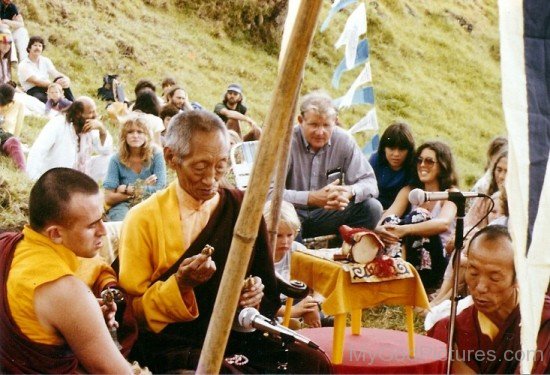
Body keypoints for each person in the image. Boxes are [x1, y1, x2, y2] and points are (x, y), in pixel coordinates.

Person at [118, 110, 331, 373]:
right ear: (171, 157)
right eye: (200, 167)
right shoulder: (143, 219)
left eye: (220, 166)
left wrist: (254, 294)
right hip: (174, 342)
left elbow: (264, 285)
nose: (211, 180)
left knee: (313, 362)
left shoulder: (241, 207)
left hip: (236, 334)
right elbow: (131, 313)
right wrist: (180, 285)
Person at [0, 168, 133, 373]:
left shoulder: (8, 244)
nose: (103, 230)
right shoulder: (67, 291)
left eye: (102, 218)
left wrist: (84, 317)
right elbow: (113, 371)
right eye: (92, 225)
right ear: (55, 233)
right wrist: (80, 310)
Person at [428, 225, 550, 374]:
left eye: (494, 278)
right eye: (473, 273)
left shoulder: (543, 321)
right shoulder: (450, 329)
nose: (480, 287)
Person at [283, 91, 382, 240]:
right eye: (314, 125)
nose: (320, 132)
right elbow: (268, 194)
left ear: (335, 122)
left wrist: (349, 191)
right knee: (282, 218)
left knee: (371, 208)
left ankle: (342, 255)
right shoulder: (286, 141)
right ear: (300, 120)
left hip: (326, 214)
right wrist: (311, 198)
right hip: (291, 213)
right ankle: (296, 259)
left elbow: (370, 183)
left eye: (326, 125)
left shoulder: (344, 140)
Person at [375, 141, 458, 290]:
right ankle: (395, 274)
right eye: (419, 160)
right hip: (411, 257)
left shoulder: (451, 194)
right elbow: (386, 218)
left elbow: (443, 223)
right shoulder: (409, 191)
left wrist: (404, 230)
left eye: (429, 161)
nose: (422, 165)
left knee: (419, 215)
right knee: (391, 220)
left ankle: (399, 276)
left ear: (443, 165)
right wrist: (380, 229)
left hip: (436, 265)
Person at [263, 200, 324, 328]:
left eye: (289, 235)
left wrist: (314, 305)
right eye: (278, 236)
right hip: (270, 307)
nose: (285, 241)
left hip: (295, 299)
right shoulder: (258, 256)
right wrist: (293, 312)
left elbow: (319, 280)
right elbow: (257, 303)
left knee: (323, 315)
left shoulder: (297, 250)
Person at [26, 96, 113, 182]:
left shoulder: (89, 127)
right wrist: (34, 178)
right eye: (91, 112)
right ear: (79, 114)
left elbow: (106, 150)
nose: (95, 115)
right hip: (57, 177)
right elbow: (38, 151)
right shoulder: (58, 123)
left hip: (81, 174)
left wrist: (102, 130)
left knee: (110, 159)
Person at [103, 115, 166, 221]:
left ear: (147, 135)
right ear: (124, 135)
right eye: (130, 132)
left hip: (150, 204)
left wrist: (128, 189)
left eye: (140, 132)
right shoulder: (116, 159)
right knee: (122, 224)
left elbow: (160, 189)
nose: (135, 135)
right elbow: (109, 198)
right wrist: (143, 186)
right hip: (123, 206)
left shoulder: (156, 154)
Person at [369, 122, 416, 209]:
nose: (396, 154)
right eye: (391, 148)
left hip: (401, 211)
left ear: (409, 150)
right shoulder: (375, 160)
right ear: (384, 148)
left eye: (401, 149)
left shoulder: (414, 166)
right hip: (374, 208)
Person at [17, 36, 75, 103]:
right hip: (34, 90)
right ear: (29, 48)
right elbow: (36, 82)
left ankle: (74, 105)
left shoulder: (45, 60)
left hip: (48, 87)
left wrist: (66, 79)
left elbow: (55, 73)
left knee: (61, 79)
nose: (37, 48)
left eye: (40, 46)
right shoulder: (23, 64)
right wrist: (54, 85)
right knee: (44, 99)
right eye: (35, 45)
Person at [0, 82, 24, 170]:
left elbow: (17, 130)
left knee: (14, 141)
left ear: (11, 101)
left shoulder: (19, 105)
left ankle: (22, 173)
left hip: (6, 139)